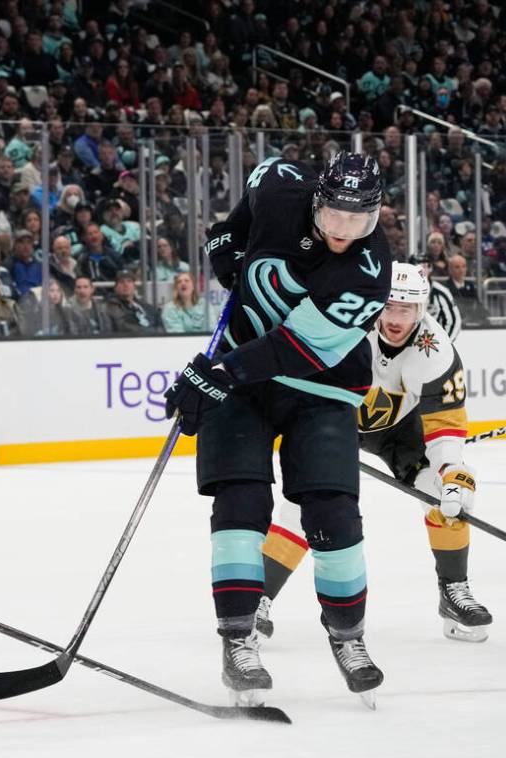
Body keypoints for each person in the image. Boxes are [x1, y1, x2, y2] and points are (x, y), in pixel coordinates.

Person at [163, 152, 392, 707]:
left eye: (357, 222)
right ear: (316, 200)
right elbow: (230, 228)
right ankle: (238, 638)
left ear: (375, 216)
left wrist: (218, 372)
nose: (343, 231)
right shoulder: (279, 184)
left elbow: (293, 348)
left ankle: (348, 637)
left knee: (332, 510)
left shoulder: (368, 273)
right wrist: (228, 256)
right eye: (334, 216)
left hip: (319, 385)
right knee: (239, 501)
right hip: (242, 377)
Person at [255, 262, 491, 643]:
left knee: (448, 495)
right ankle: (258, 599)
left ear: (422, 308)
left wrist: (451, 471)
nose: (396, 318)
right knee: (304, 506)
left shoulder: (436, 351)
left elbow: (445, 425)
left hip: (401, 432)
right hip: (335, 418)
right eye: (390, 306)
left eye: (407, 309)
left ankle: (453, 590)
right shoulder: (347, 324)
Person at [414, 253, 461, 341]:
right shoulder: (401, 291)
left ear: (431, 268)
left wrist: (444, 344)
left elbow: (454, 321)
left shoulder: (441, 292)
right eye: (417, 266)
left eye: (425, 266)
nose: (421, 270)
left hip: (433, 344)